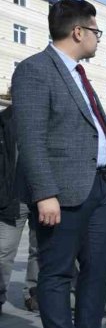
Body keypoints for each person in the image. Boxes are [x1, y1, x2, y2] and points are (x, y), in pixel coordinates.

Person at [11, 0, 106, 328]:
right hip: (60, 193)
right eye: (97, 32)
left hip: (98, 187)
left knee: (97, 269)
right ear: (78, 32)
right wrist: (44, 193)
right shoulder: (34, 71)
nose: (99, 39)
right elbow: (29, 138)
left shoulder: (79, 73)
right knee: (58, 273)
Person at [0, 107, 39, 315]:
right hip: (12, 197)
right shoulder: (4, 119)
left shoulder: (45, 115)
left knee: (39, 249)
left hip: (43, 196)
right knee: (3, 250)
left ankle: (33, 294)